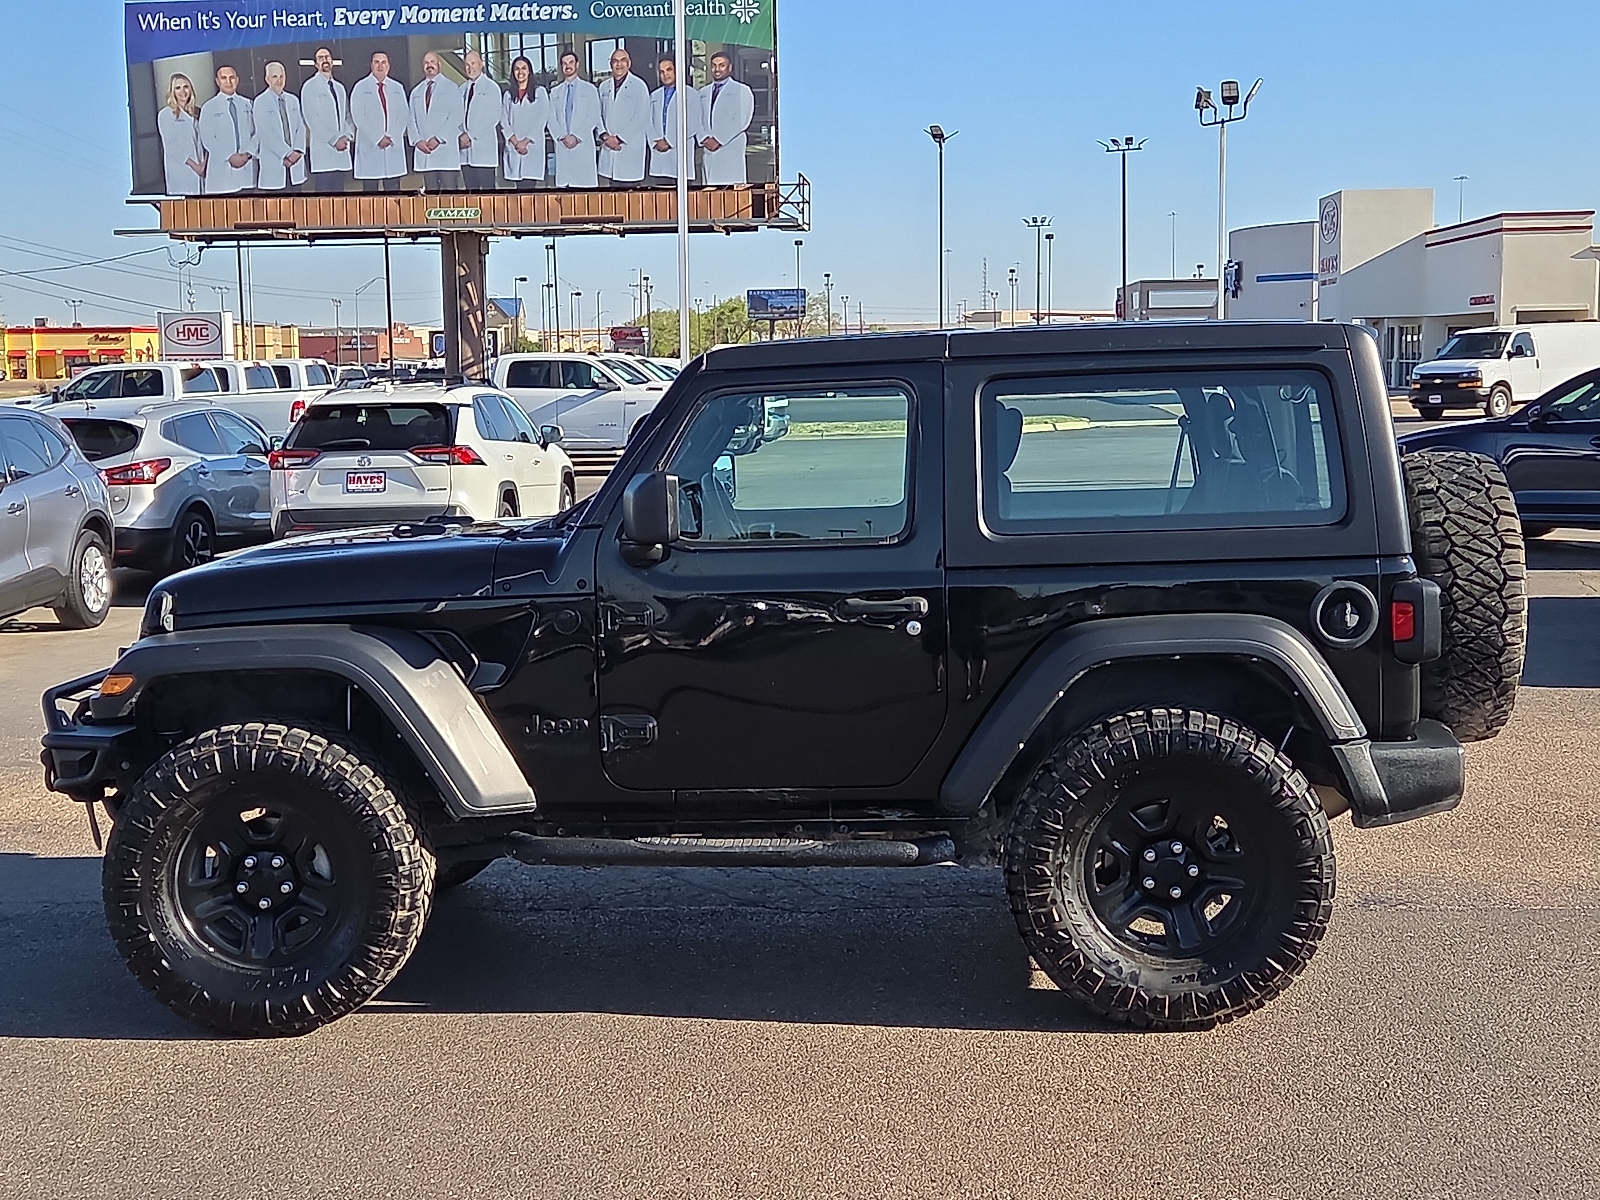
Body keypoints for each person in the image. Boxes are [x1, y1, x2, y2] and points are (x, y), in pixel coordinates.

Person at [351, 52, 410, 192]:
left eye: (383, 62)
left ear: (388, 66)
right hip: (370, 147)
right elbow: (359, 116)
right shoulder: (360, 87)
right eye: (376, 62)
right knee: (371, 196)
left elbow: (403, 114)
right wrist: (378, 138)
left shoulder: (397, 87)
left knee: (394, 194)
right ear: (371, 65)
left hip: (392, 147)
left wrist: (391, 137)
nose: (380, 65)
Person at [408, 52, 463, 192]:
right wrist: (417, 141)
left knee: (449, 192)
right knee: (431, 192)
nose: (429, 65)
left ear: (439, 64)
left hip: (445, 151)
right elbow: (410, 118)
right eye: (426, 63)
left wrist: (438, 138)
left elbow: (456, 116)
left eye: (432, 61)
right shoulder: (416, 91)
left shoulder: (451, 88)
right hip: (425, 150)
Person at [198, 65, 258, 194]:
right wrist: (229, 157)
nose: (228, 82)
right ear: (217, 81)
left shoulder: (248, 104)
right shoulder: (209, 107)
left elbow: (257, 133)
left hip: (246, 169)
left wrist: (247, 154)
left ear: (237, 79)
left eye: (232, 78)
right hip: (221, 173)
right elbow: (208, 138)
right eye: (224, 78)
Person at [301, 46, 353, 193]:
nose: (325, 60)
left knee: (340, 197)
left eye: (327, 57)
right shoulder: (310, 87)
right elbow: (312, 119)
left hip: (341, 151)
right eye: (320, 58)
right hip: (323, 153)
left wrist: (347, 136)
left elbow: (347, 115)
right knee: (324, 200)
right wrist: (334, 139)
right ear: (316, 63)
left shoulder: (339, 88)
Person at [698, 50, 753, 185]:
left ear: (730, 68)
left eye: (722, 65)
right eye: (714, 65)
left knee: (730, 192)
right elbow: (696, 119)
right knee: (709, 193)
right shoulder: (702, 93)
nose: (717, 69)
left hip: (729, 149)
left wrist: (719, 139)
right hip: (708, 150)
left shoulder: (742, 90)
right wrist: (704, 138)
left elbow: (741, 120)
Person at [597, 48, 649, 187]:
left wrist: (619, 139)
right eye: (615, 61)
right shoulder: (603, 87)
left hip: (628, 151)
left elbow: (641, 117)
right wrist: (605, 137)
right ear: (610, 64)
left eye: (623, 61)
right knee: (613, 200)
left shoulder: (639, 86)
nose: (619, 65)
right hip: (609, 148)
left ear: (629, 63)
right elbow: (598, 115)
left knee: (630, 199)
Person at [549, 50, 600, 189]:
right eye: (564, 63)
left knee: (584, 195)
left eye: (571, 62)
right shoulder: (555, 92)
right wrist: (562, 136)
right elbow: (550, 118)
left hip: (582, 147)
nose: (568, 66)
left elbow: (593, 115)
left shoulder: (590, 89)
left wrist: (576, 137)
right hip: (563, 146)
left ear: (577, 64)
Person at [253, 62, 308, 191]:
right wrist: (287, 154)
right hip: (275, 163)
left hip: (295, 163)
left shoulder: (293, 100)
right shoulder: (260, 102)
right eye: (274, 77)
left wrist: (298, 151)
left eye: (281, 76)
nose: (279, 80)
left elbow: (300, 127)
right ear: (267, 79)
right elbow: (266, 134)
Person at [647, 55, 700, 185]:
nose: (665, 74)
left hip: (679, 152)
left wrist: (669, 141)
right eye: (662, 72)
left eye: (669, 69)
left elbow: (693, 123)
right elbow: (647, 121)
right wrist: (655, 141)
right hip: (659, 154)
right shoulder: (654, 95)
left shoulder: (691, 94)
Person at [500, 55, 548, 190]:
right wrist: (515, 142)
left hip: (530, 149)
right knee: (518, 190)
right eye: (516, 69)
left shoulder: (540, 92)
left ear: (529, 71)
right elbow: (503, 120)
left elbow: (542, 118)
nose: (520, 72)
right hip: (514, 148)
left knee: (529, 189)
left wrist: (525, 142)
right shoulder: (508, 95)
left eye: (523, 68)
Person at [458, 49, 502, 190]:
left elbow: (492, 117)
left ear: (481, 64)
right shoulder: (462, 89)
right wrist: (460, 136)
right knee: (471, 192)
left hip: (484, 151)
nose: (470, 68)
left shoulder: (492, 87)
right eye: (467, 65)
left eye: (473, 63)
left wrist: (470, 135)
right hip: (465, 151)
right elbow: (457, 116)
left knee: (488, 194)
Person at [156, 73, 205, 196]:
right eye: (177, 88)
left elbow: (205, 141)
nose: (182, 91)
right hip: (182, 173)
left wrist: (203, 165)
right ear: (172, 92)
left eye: (186, 87)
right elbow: (172, 146)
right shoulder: (166, 114)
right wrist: (195, 166)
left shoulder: (197, 113)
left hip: (202, 171)